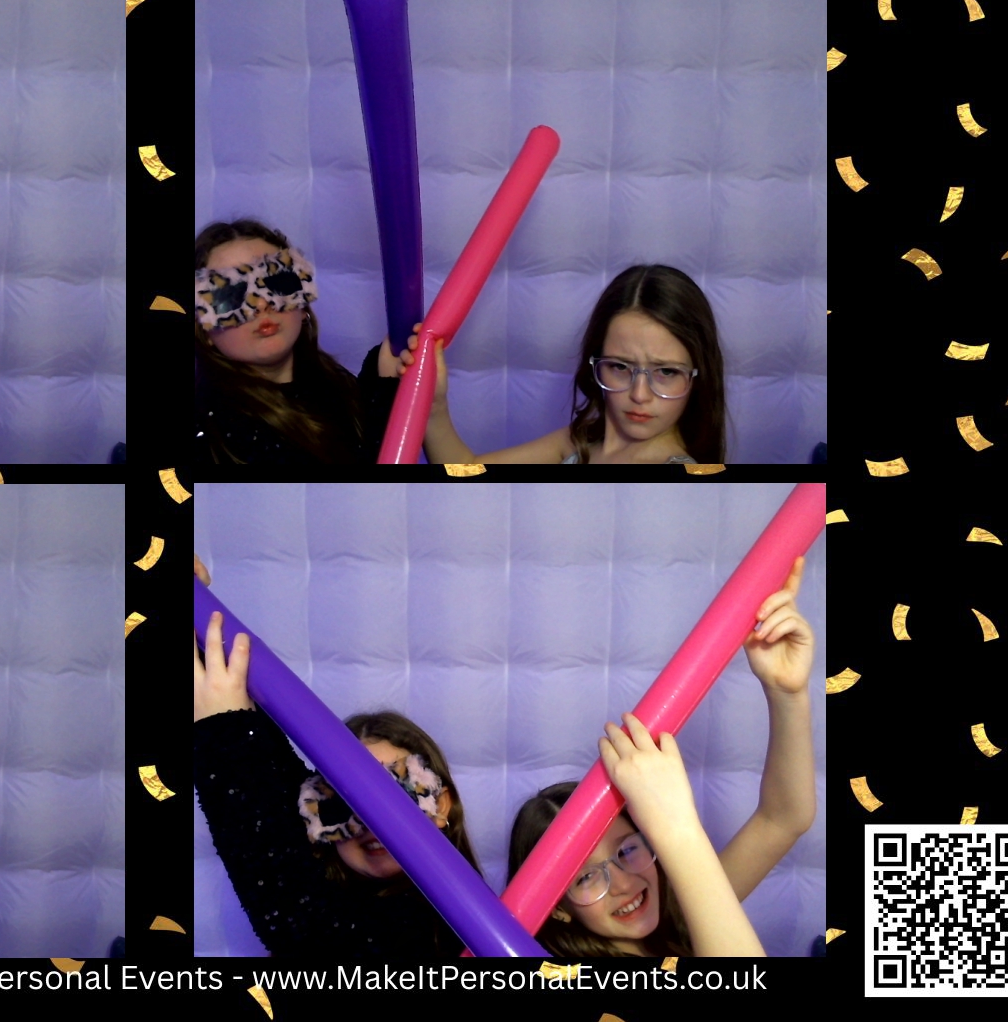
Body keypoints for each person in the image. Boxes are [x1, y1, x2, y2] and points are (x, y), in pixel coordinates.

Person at [505, 557, 816, 955]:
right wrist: (674, 825)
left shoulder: (683, 920)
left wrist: (786, 692)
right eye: (585, 878)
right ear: (557, 909)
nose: (624, 883)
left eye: (628, 850)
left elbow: (784, 818)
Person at [191, 556, 484, 956]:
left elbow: (307, 927)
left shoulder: (449, 929)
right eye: (340, 804)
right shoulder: (329, 885)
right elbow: (272, 798)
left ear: (440, 803)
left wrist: (222, 730)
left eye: (395, 791)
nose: (367, 820)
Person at [399, 263, 729, 464]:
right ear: (595, 363)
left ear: (697, 377)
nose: (639, 395)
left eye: (666, 372)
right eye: (620, 367)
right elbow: (464, 468)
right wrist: (434, 404)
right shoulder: (577, 443)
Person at [193, 220, 403, 463]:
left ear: (302, 305)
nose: (261, 304)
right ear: (204, 329)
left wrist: (389, 384)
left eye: (277, 282)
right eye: (229, 295)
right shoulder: (207, 430)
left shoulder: (340, 391)